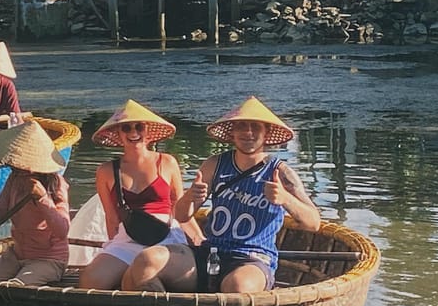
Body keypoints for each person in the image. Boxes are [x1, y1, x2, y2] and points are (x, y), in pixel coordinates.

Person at [124, 96, 321, 293]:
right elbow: (181, 215)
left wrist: (285, 199)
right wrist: (192, 196)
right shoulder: (214, 165)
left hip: (253, 259)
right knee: (146, 261)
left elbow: (313, 222)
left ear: (266, 133)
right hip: (210, 254)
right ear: (232, 132)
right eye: (242, 126)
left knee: (237, 286)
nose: (248, 132)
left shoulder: (281, 172)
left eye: (255, 127)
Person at [78, 99, 203, 290]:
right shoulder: (106, 171)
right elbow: (112, 218)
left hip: (166, 235)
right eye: (126, 128)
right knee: (91, 280)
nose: (133, 132)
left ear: (148, 132)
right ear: (119, 134)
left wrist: (198, 239)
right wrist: (112, 247)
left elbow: (180, 208)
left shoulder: (167, 162)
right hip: (128, 238)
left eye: (139, 127)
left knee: (140, 274)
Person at [0, 120, 70, 286]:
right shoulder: (15, 179)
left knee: (15, 286)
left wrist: (42, 198)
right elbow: (0, 208)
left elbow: (62, 229)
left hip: (48, 259)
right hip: (16, 255)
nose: (13, 166)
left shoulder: (56, 184)